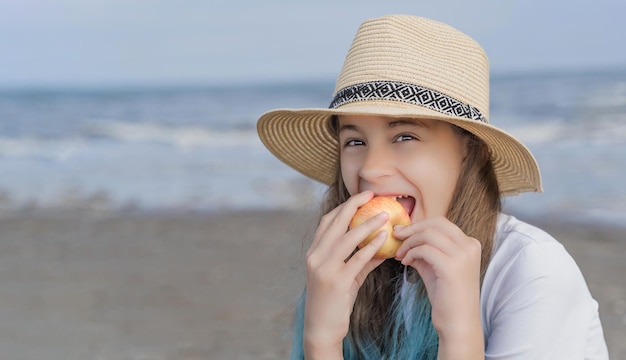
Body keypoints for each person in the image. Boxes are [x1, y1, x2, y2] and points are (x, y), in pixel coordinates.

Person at [256, 15, 608, 359]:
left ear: (471, 152)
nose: (370, 169)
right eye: (354, 141)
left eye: (405, 136)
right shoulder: (338, 272)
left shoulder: (531, 269)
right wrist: (322, 339)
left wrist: (458, 332)